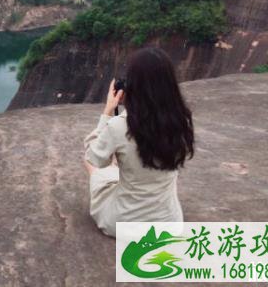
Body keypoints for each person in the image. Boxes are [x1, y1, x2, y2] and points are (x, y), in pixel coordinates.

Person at [82, 47, 194, 237]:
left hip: (125, 223)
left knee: (95, 168)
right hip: (168, 223)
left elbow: (94, 158)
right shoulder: (180, 120)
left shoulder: (119, 126)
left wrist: (108, 111)